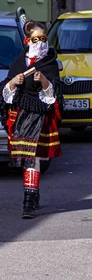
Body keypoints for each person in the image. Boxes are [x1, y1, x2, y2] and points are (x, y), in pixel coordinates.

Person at [0, 20, 62, 219]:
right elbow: (5, 90)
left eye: (44, 39)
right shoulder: (19, 61)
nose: (41, 42)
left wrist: (44, 81)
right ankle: (33, 193)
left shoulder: (49, 63)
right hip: (21, 115)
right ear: (28, 40)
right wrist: (13, 82)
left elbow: (54, 94)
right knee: (25, 158)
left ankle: (28, 202)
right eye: (37, 39)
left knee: (33, 158)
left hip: (39, 115)